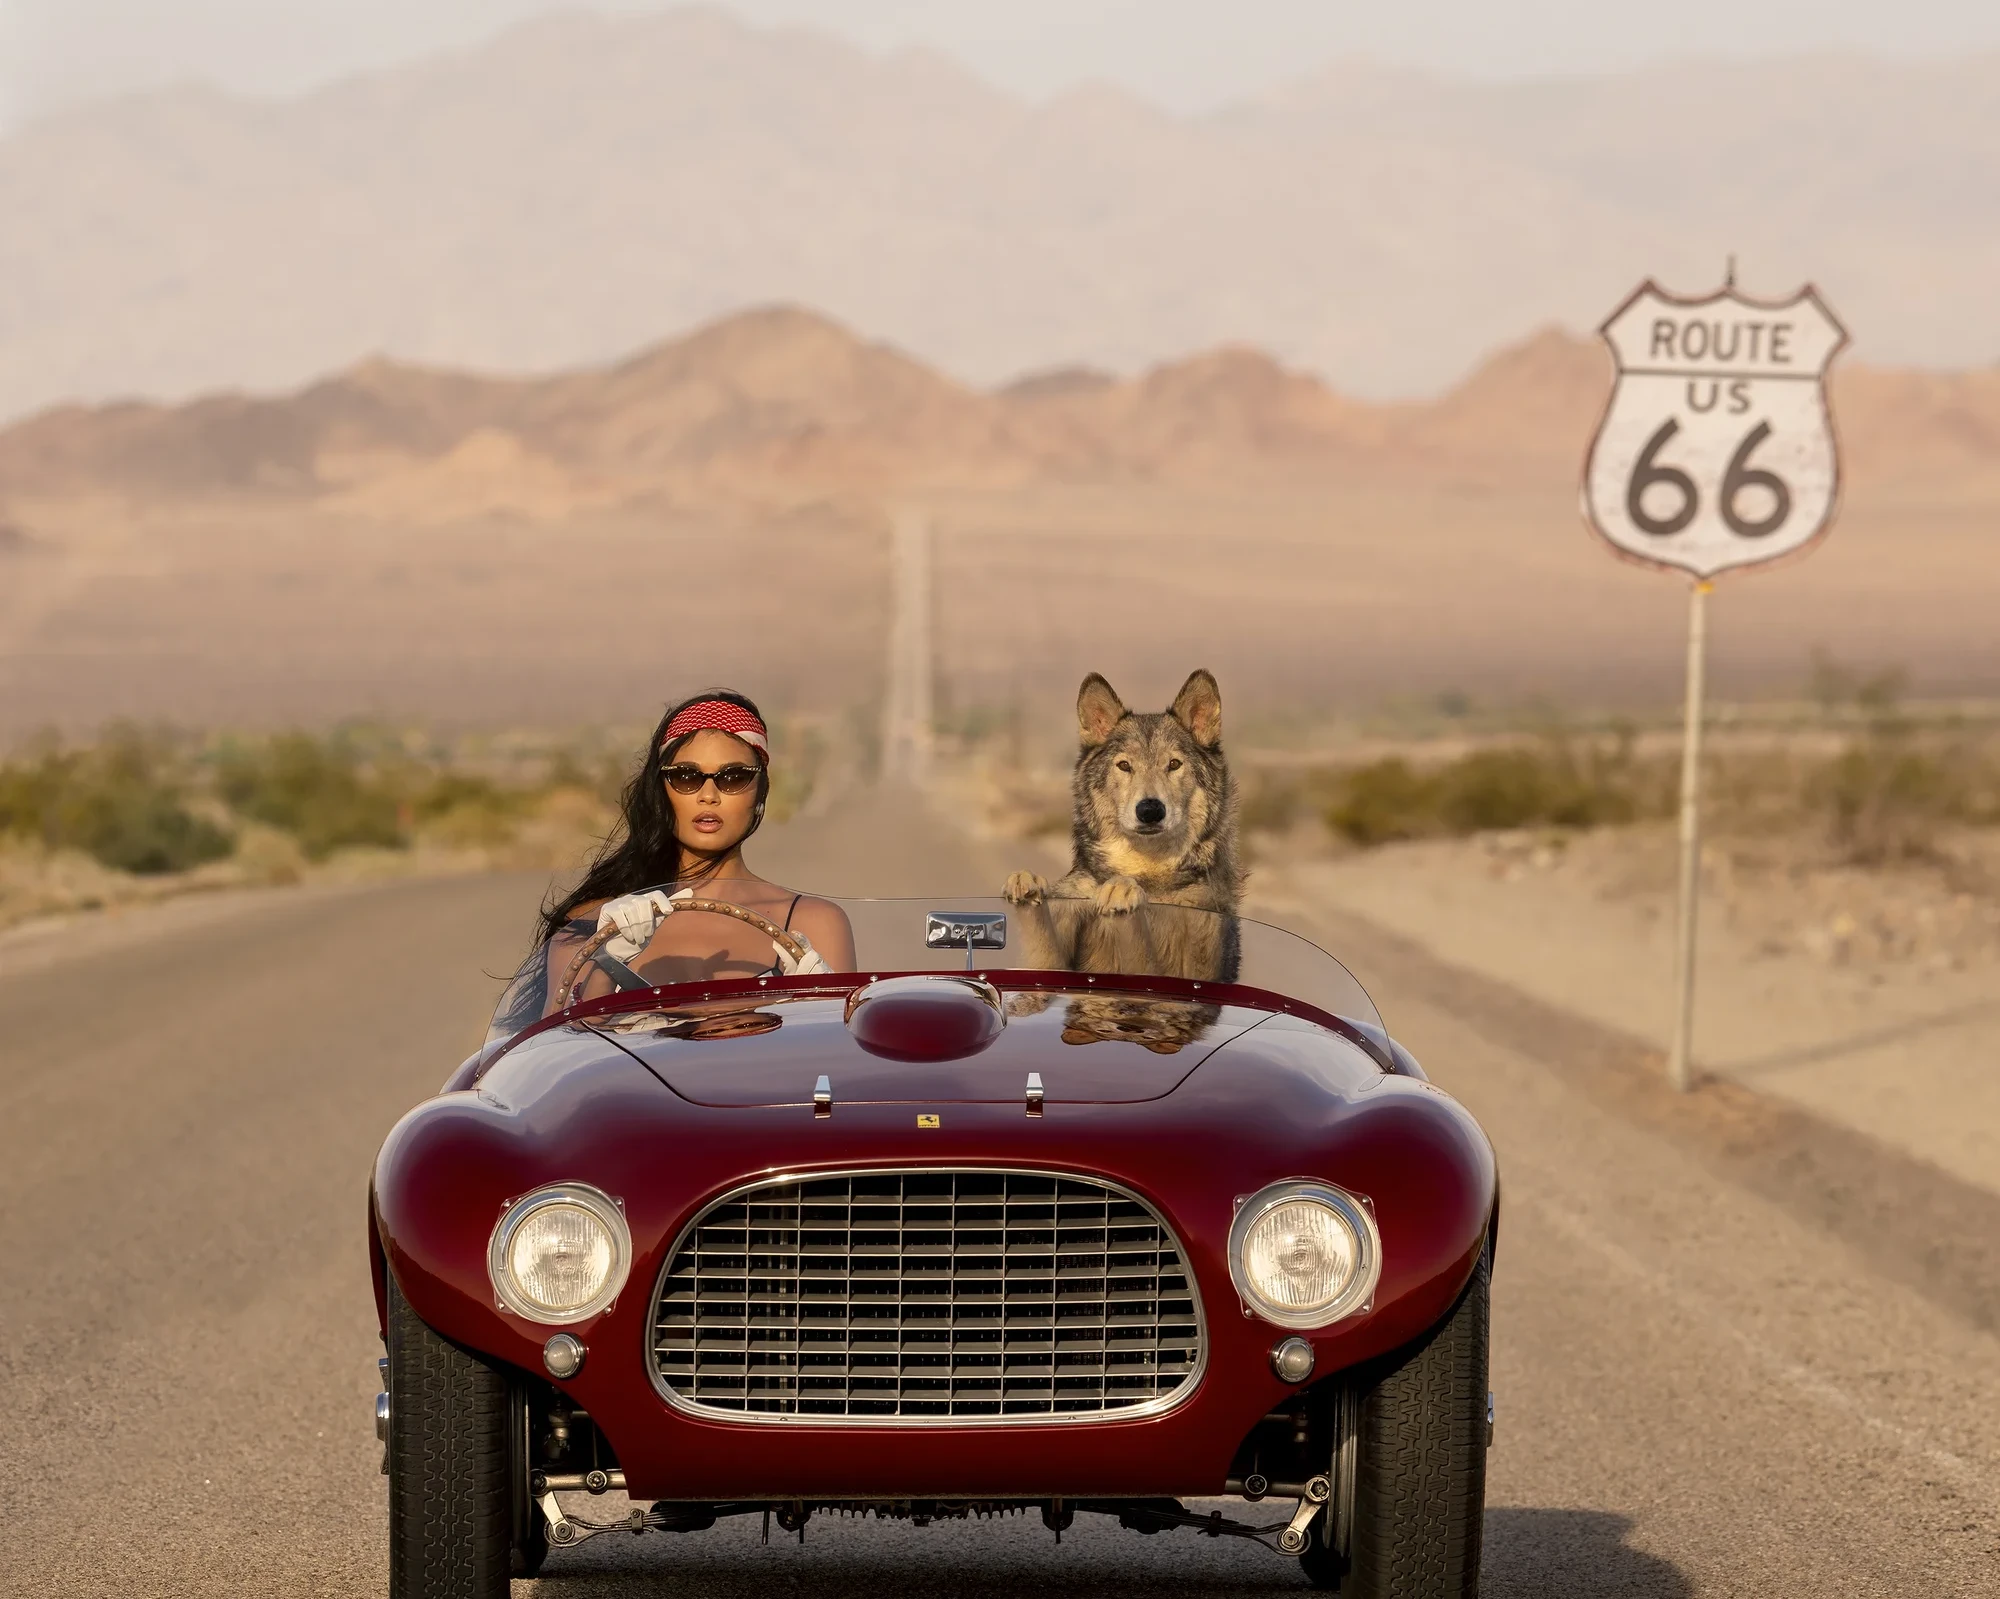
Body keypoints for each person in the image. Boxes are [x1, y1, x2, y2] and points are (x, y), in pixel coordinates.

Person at [535, 690, 855, 1011]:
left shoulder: (813, 923)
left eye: (734, 777)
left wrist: (819, 1007)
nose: (709, 795)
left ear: (761, 791)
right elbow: (558, 1048)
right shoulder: (592, 922)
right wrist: (606, 961)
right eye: (686, 777)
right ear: (660, 790)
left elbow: (833, 1056)